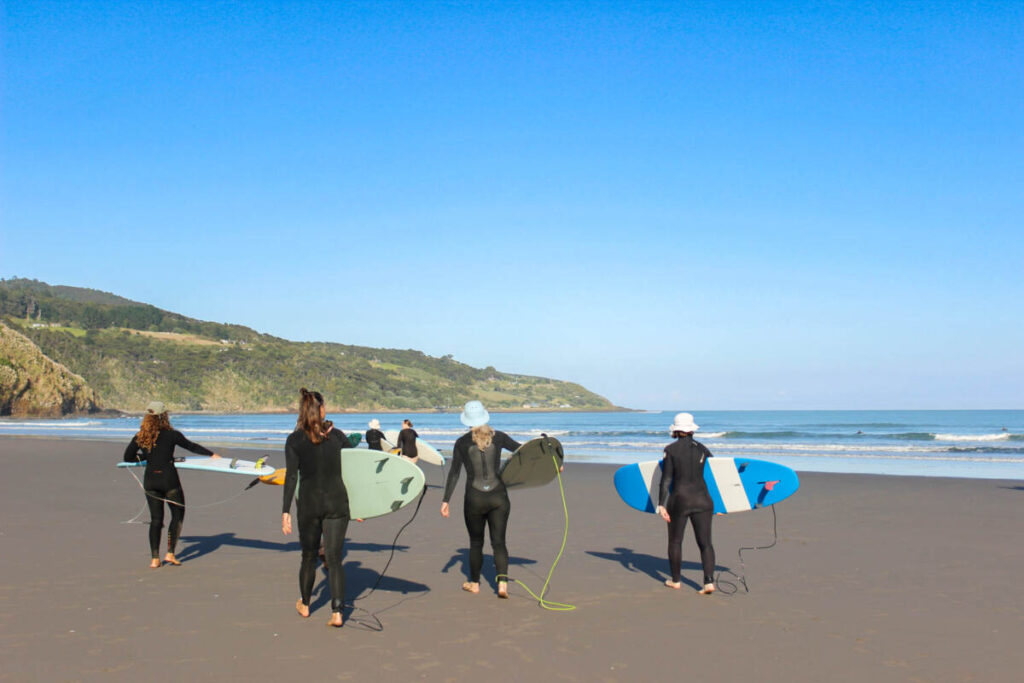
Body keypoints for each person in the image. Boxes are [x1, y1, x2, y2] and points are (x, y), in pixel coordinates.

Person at [281, 388, 351, 627]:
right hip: (337, 503)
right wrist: (363, 506)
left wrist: (285, 511)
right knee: (334, 559)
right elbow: (354, 470)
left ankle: (305, 604)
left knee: (309, 557)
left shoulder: (294, 440)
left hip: (309, 505)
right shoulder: (337, 436)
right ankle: (337, 612)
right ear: (320, 410)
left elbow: (292, 477)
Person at [122, 401, 221, 568]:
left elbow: (128, 457)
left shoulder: (141, 436)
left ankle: (155, 559)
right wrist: (212, 455)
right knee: (177, 515)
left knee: (156, 519)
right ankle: (170, 554)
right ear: (164, 416)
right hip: (168, 480)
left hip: (151, 481)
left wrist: (148, 457)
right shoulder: (172, 435)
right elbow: (191, 446)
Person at [440, 400, 521, 598]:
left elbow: (454, 473)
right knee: (499, 542)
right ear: (485, 416)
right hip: (499, 497)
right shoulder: (499, 437)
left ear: (466, 420)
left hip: (474, 499)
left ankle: (475, 584)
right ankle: (502, 584)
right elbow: (523, 452)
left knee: (476, 543)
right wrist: (553, 460)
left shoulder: (462, 442)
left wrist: (446, 500)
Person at [656, 412, 716, 595]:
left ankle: (676, 581)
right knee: (706, 543)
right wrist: (722, 505)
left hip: (680, 501)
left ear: (675, 430)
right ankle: (708, 582)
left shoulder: (670, 450)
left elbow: (666, 479)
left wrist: (661, 504)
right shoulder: (703, 449)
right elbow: (714, 475)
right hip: (703, 500)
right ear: (691, 429)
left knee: (675, 541)